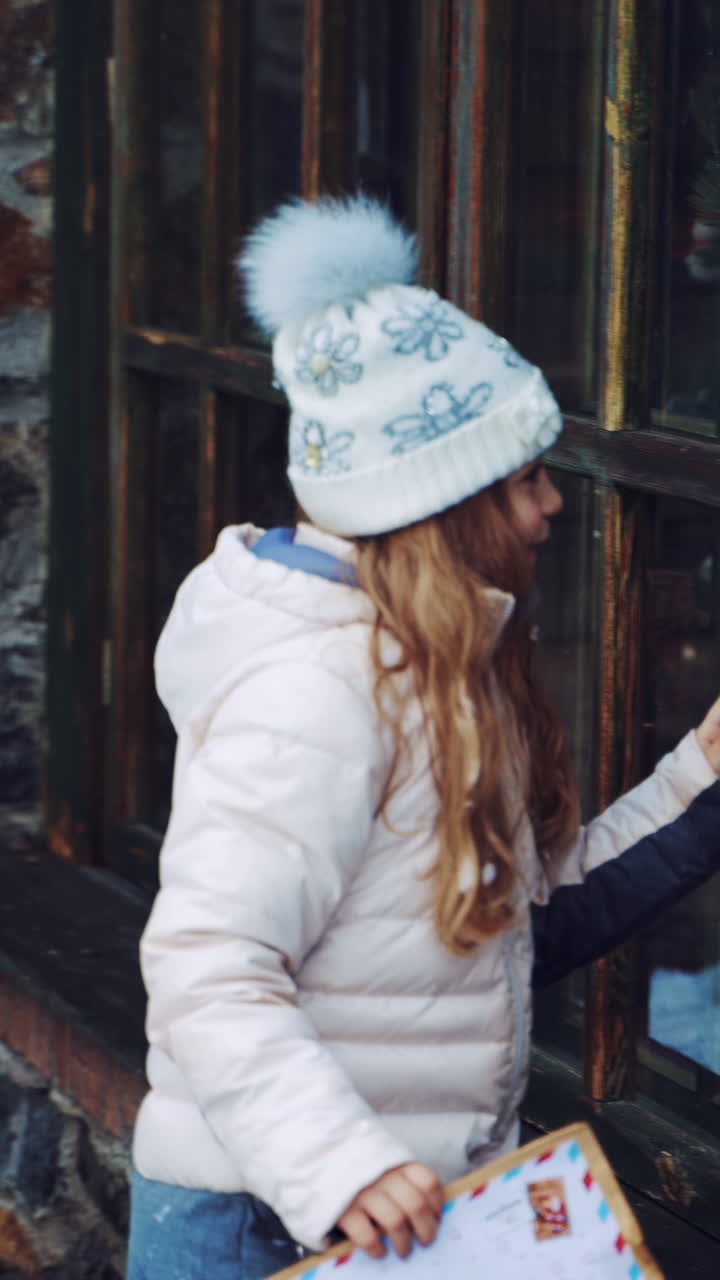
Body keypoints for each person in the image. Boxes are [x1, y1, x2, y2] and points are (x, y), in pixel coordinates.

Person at [126, 195, 720, 1280]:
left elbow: (521, 919)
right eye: (526, 479)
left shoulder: (440, 665)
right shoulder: (316, 689)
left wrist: (702, 778)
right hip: (265, 1224)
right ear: (442, 506)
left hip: (403, 1222)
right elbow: (208, 964)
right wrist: (340, 1162)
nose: (552, 506)